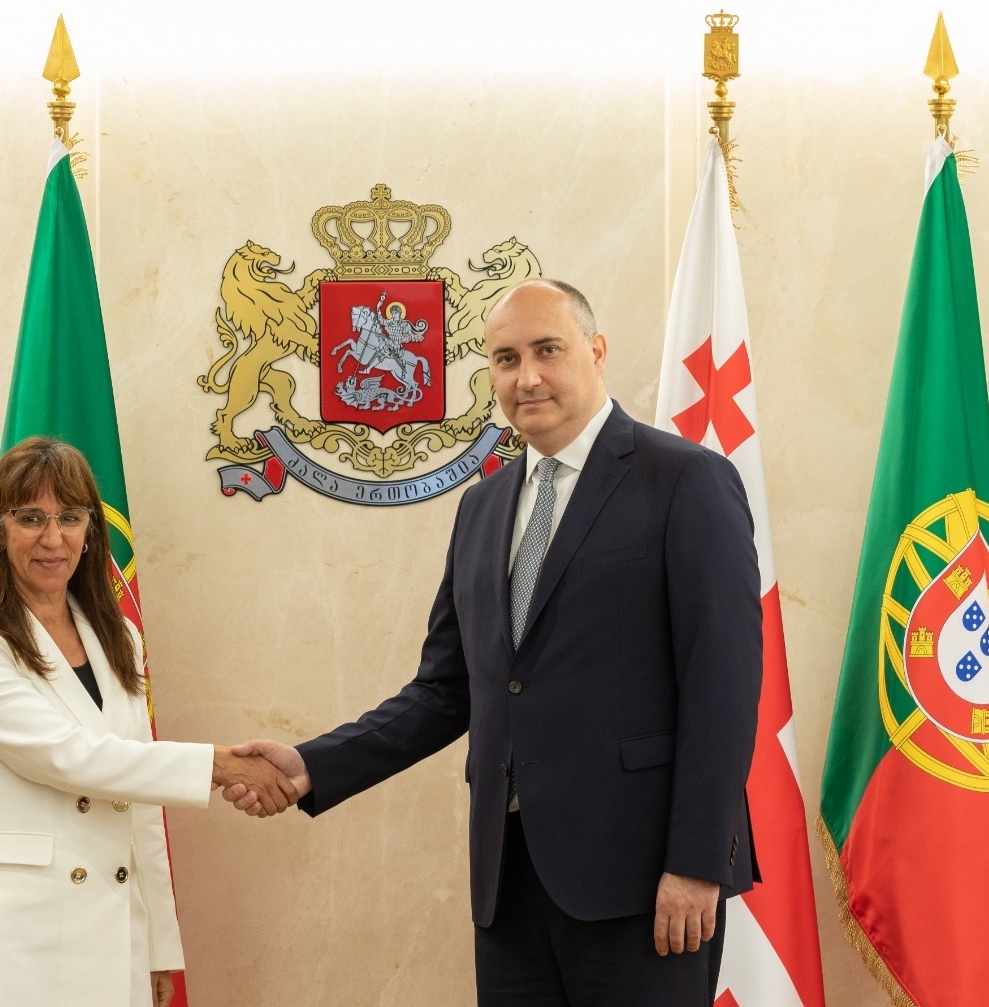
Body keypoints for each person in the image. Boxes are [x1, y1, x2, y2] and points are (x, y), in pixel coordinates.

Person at [228, 279, 763, 1005]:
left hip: (644, 885)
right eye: (506, 359)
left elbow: (722, 685)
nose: (527, 377)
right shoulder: (481, 506)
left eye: (548, 350)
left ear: (596, 351)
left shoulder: (686, 479)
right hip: (508, 889)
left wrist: (697, 861)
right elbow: (445, 691)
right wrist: (311, 764)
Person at [0, 436, 293, 1007]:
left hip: (110, 927)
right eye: (31, 518)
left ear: (91, 530)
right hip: (8, 932)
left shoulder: (119, 636)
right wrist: (217, 765)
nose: (53, 538)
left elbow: (138, 804)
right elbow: (62, 756)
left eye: (70, 517)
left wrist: (158, 945)